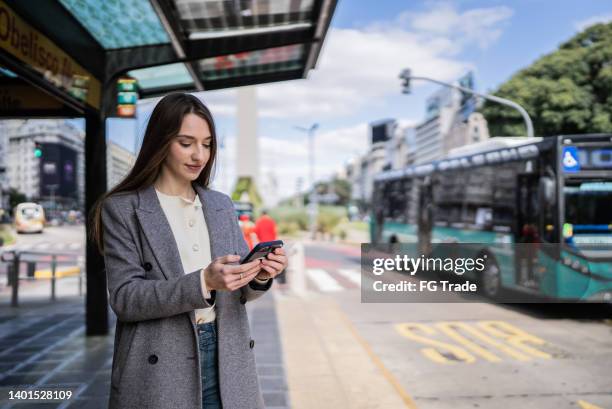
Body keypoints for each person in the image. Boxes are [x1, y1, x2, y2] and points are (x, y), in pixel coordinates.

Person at [89, 92, 288, 409]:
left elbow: (240, 291)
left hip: (229, 358)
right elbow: (125, 299)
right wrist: (204, 282)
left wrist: (259, 276)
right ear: (160, 142)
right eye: (186, 142)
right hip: (161, 367)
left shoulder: (220, 204)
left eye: (207, 144)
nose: (200, 155)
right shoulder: (122, 209)